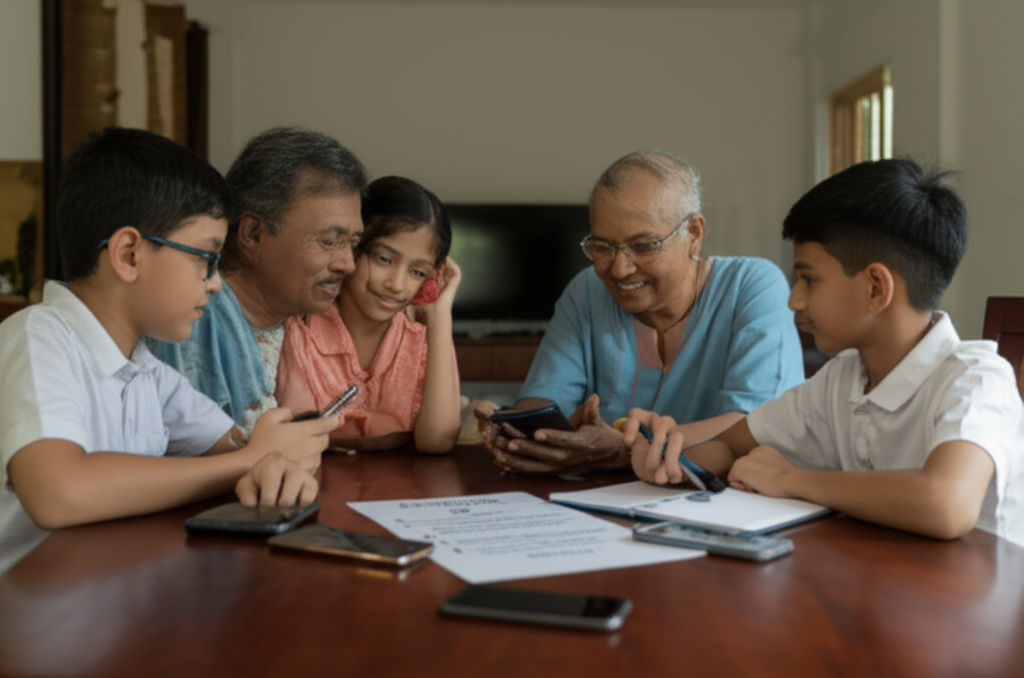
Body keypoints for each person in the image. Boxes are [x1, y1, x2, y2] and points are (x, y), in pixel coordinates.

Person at [627, 159, 1024, 544]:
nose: (794, 300)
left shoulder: (976, 380)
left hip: (982, 601)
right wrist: (672, 461)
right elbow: (731, 444)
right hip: (893, 588)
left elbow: (946, 503)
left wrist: (790, 479)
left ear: (875, 289)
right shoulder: (843, 378)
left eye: (809, 279)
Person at [0, 128, 338, 575]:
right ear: (129, 255)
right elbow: (58, 492)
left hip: (106, 600)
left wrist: (272, 464)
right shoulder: (37, 337)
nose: (215, 283)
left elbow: (234, 451)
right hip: (27, 621)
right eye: (206, 258)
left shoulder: (147, 372)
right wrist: (250, 458)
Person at [476, 150, 804, 474]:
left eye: (644, 246)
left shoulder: (754, 287)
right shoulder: (587, 290)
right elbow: (543, 405)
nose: (619, 269)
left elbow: (754, 430)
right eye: (602, 247)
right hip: (597, 506)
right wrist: (518, 434)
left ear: (693, 234)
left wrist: (626, 449)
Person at [148, 127, 368, 434]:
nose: (348, 264)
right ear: (253, 234)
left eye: (354, 244)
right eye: (330, 241)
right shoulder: (194, 321)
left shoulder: (314, 317)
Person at [276, 176, 463, 453]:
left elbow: (436, 442)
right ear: (352, 245)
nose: (397, 284)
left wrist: (440, 315)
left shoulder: (425, 336)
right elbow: (291, 436)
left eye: (418, 272)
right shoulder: (297, 325)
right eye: (384, 259)